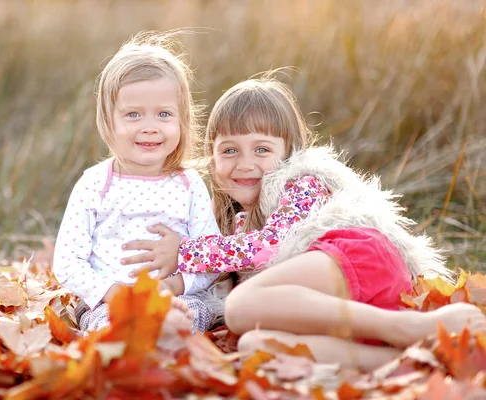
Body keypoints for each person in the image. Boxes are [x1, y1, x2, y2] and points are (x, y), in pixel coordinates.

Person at [122, 75, 486, 370]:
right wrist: (170, 289)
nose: (245, 163)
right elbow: (234, 283)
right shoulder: (238, 224)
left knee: (241, 308)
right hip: (345, 310)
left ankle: (408, 327)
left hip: (357, 257)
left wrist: (185, 252)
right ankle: (404, 363)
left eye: (262, 149)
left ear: (289, 152)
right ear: (212, 163)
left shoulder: (303, 183)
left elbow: (267, 249)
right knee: (255, 345)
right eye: (229, 150)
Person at [53, 32, 222, 336]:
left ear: (181, 122)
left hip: (177, 297)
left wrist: (175, 285)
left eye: (164, 114)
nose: (150, 127)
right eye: (133, 114)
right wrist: (117, 293)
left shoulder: (188, 184)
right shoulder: (96, 184)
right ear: (108, 122)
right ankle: (126, 350)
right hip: (109, 301)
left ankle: (168, 343)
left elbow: (209, 256)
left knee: (190, 317)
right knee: (112, 327)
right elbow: (68, 262)